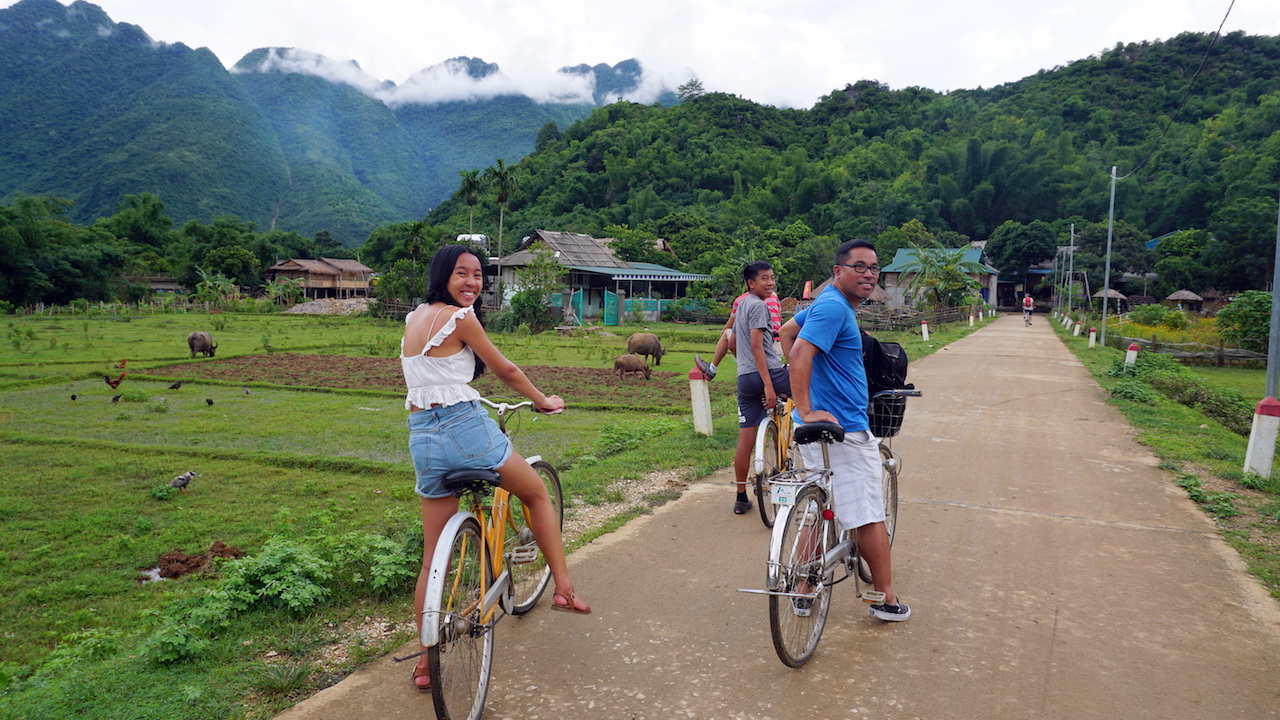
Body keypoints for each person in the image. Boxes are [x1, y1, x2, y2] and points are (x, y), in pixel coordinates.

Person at [402, 245, 590, 692]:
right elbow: (504, 369)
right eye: (461, 274)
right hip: (466, 430)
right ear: (443, 276)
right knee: (536, 494)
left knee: (432, 561)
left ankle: (426, 663)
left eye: (478, 275)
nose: (472, 282)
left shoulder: (413, 318)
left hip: (422, 439)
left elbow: (430, 378)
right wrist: (542, 400)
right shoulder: (460, 318)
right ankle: (563, 588)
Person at [779, 239, 909, 621]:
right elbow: (800, 352)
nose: (869, 274)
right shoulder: (835, 308)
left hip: (815, 428)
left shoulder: (826, 305)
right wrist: (808, 405)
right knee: (869, 514)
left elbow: (787, 333)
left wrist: (815, 390)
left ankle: (804, 588)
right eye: (859, 266)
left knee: (817, 509)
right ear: (838, 272)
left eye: (874, 267)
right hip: (845, 429)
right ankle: (886, 597)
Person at [728, 261, 791, 515]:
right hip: (768, 375)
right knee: (808, 386)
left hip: (744, 379)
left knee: (746, 441)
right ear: (750, 283)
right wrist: (768, 385)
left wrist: (741, 362)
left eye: (772, 278)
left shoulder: (741, 304)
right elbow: (757, 347)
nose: (771, 283)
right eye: (764, 278)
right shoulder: (759, 306)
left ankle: (741, 497)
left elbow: (732, 340)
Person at [693, 287, 781, 380]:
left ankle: (712, 369)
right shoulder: (773, 295)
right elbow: (778, 317)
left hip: (758, 344)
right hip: (777, 344)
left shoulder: (741, 301)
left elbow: (729, 325)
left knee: (727, 333)